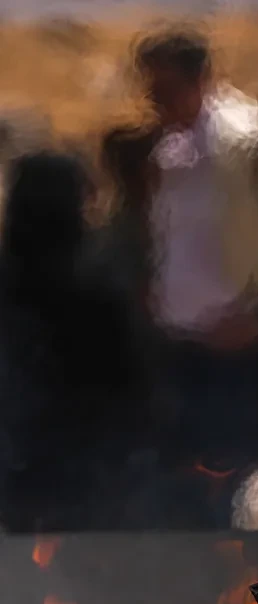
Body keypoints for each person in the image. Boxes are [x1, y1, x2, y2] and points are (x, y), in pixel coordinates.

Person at [101, 28, 258, 526]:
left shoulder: (242, 139)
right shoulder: (171, 148)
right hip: (180, 335)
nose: (154, 100)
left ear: (197, 79)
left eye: (164, 88)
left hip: (230, 335)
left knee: (234, 469)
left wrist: (252, 308)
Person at [0, 153, 147, 531]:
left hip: (19, 473)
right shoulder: (99, 294)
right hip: (84, 480)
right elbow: (130, 392)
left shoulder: (16, 287)